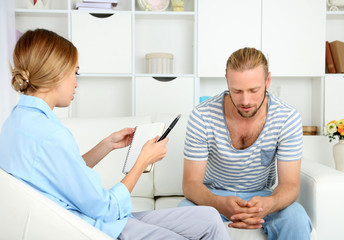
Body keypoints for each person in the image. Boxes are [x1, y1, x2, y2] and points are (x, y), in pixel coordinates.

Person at [0, 29, 230, 240]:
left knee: (209, 217)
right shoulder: (50, 134)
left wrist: (106, 145)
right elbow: (107, 208)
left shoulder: (17, 123)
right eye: (75, 72)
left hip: (101, 220)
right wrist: (143, 161)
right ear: (56, 74)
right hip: (96, 228)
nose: (76, 83)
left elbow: (62, 175)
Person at [179, 47, 313, 239]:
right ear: (227, 80)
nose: (245, 100)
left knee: (296, 217)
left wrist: (269, 204)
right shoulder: (202, 115)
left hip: (262, 196)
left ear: (267, 81)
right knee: (183, 216)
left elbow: (290, 184)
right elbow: (191, 184)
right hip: (213, 196)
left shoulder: (287, 117)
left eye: (254, 90)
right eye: (237, 90)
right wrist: (219, 203)